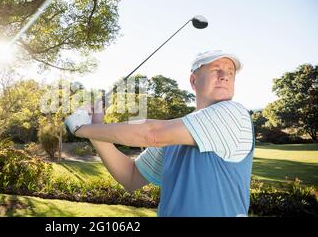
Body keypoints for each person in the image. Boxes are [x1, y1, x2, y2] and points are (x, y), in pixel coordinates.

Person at [65, 50, 255, 217]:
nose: (225, 76)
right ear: (193, 80)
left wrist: (81, 128)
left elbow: (152, 134)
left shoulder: (233, 113)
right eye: (216, 69)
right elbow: (131, 177)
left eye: (231, 72)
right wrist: (96, 130)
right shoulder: (178, 133)